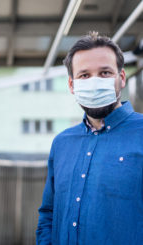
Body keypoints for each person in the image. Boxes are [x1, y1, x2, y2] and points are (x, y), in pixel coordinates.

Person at [36, 31, 143, 244]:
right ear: (71, 85)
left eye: (105, 73)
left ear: (121, 78)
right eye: (84, 75)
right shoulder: (62, 143)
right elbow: (48, 213)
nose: (95, 82)